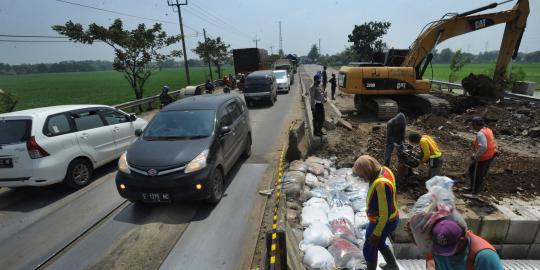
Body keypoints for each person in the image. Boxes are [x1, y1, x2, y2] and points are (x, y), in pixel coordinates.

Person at [353, 155, 399, 270]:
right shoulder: (385, 170)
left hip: (383, 221)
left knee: (370, 245)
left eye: (362, 176)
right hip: (392, 218)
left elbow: (384, 213)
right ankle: (392, 266)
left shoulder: (381, 184)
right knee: (379, 243)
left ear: (368, 171)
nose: (362, 179)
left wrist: (377, 232)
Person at [425, 219, 503, 270]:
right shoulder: (437, 243)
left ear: (461, 241)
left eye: (448, 250)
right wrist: (431, 264)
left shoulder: (485, 257)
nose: (444, 255)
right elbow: (431, 260)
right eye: (440, 250)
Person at [469, 116, 497, 194]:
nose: (472, 127)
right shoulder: (488, 130)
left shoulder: (481, 133)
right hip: (490, 155)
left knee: (477, 174)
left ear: (475, 124)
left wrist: (476, 155)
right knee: (474, 171)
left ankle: (475, 192)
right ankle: (474, 188)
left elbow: (483, 146)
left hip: (484, 157)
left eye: (473, 125)